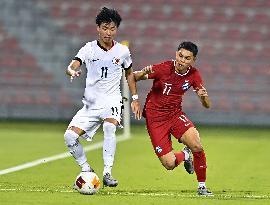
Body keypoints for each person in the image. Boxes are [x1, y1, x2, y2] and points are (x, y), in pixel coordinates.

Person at [64, 7, 142, 188]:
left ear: (117, 29)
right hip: (91, 104)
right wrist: (71, 70)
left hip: (112, 100)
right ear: (98, 28)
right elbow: (73, 64)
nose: (108, 32)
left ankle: (107, 172)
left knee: (109, 127)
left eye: (112, 28)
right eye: (105, 28)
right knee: (69, 137)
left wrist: (135, 97)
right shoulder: (88, 49)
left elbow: (129, 74)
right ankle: (86, 170)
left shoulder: (122, 51)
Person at [134, 41, 213, 196]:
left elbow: (207, 105)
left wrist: (204, 98)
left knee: (197, 144)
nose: (182, 60)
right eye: (180, 56)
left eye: (187, 58)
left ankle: (202, 186)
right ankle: (185, 155)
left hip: (175, 115)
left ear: (193, 60)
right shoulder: (164, 68)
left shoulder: (194, 75)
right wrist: (142, 73)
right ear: (176, 53)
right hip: (155, 119)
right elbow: (133, 77)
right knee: (169, 164)